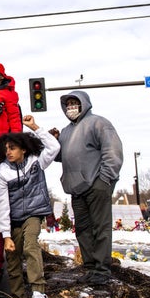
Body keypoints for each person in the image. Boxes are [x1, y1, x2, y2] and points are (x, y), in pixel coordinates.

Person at [55, 90, 123, 285]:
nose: (71, 108)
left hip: (96, 184)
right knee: (83, 229)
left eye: (74, 103)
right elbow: (61, 156)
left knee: (100, 228)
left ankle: (102, 269)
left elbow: (113, 151)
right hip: (76, 188)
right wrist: (53, 140)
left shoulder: (98, 123)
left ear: (84, 104)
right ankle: (90, 267)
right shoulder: (66, 131)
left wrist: (105, 179)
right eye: (67, 105)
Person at [0, 115, 60, 298]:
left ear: (23, 149)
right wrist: (6, 235)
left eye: (12, 148)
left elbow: (54, 147)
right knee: (12, 255)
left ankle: (38, 290)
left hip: (33, 213)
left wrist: (35, 127)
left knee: (31, 245)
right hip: (14, 218)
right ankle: (17, 296)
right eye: (6, 149)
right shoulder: (2, 171)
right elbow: (1, 203)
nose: (8, 152)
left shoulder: (36, 162)